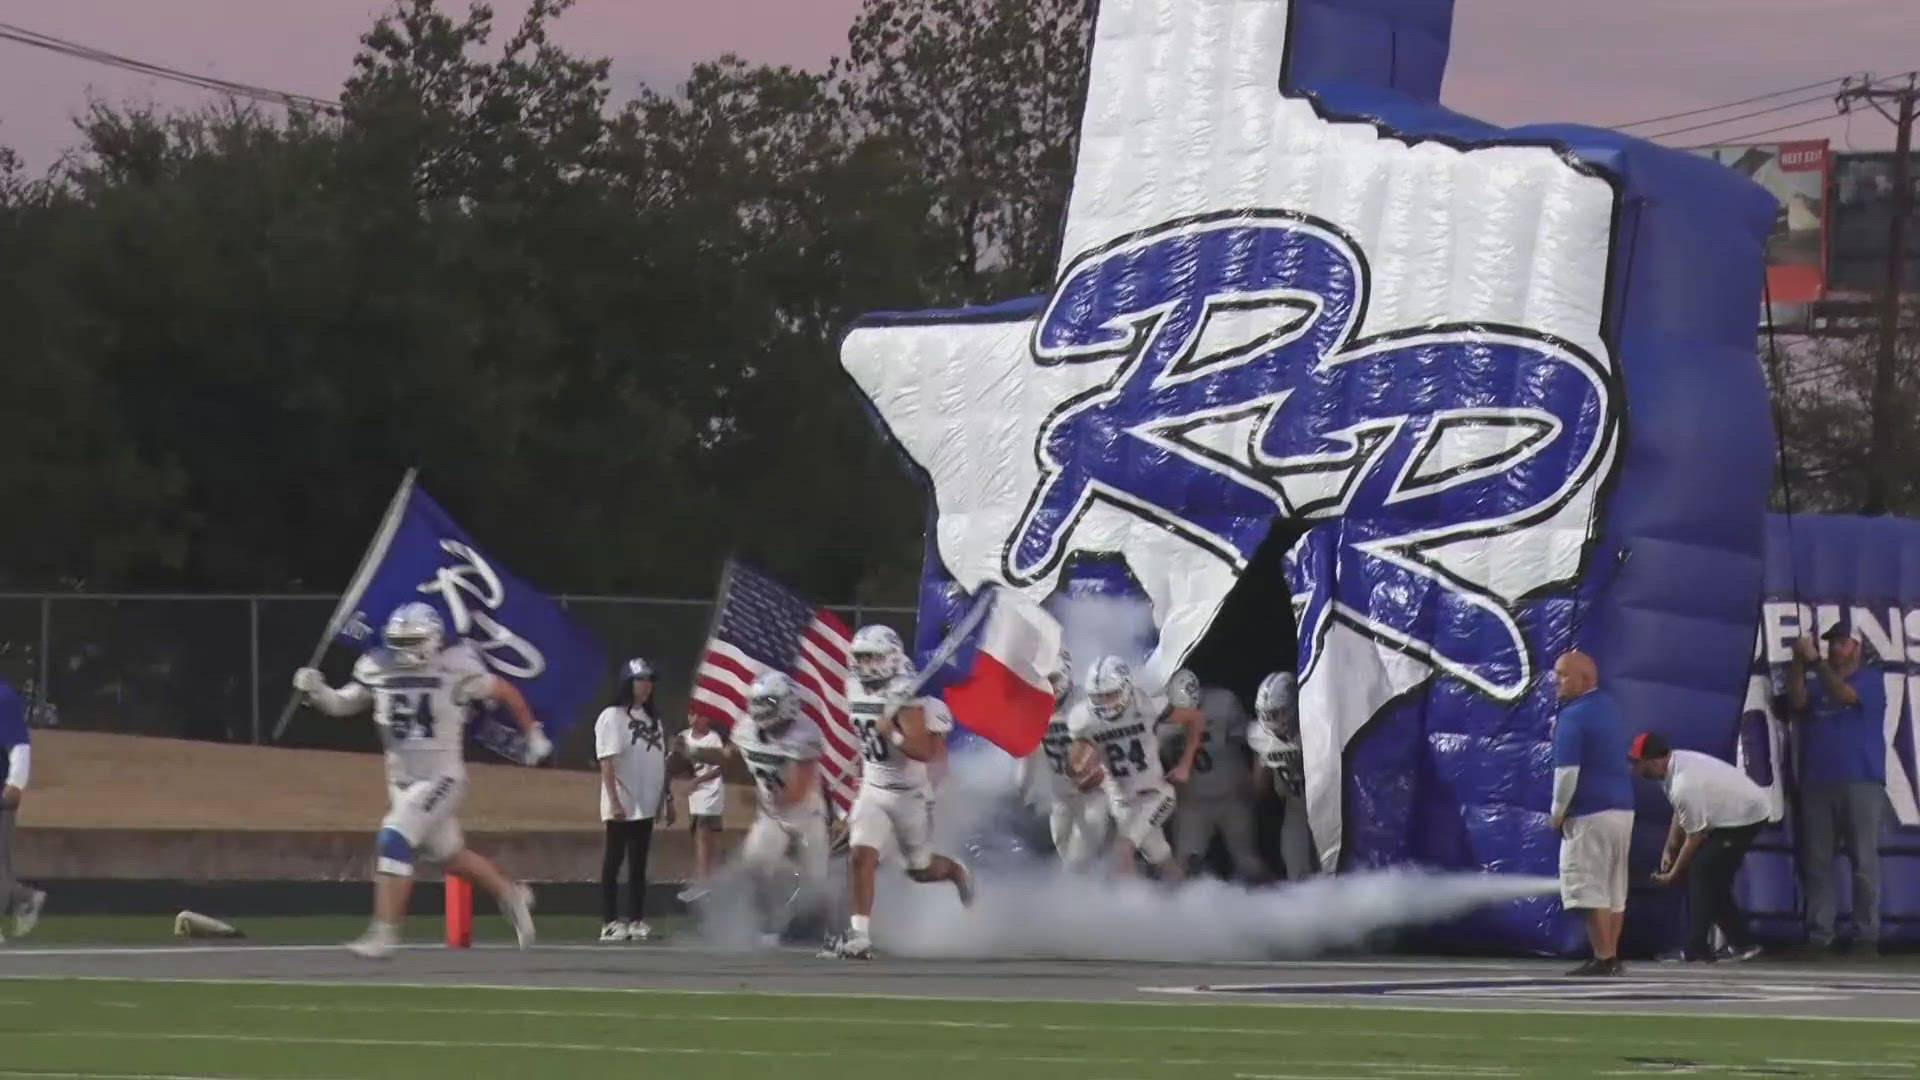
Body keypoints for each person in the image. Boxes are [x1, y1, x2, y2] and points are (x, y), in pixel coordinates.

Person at [293, 602, 549, 959]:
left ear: (432, 638)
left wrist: (532, 733)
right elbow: (344, 703)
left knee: (393, 837)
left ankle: (384, 934)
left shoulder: (456, 666)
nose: (404, 648)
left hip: (442, 777)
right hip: (401, 783)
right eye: (399, 640)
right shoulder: (377, 665)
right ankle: (511, 894)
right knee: (450, 856)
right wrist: (318, 691)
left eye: (412, 639)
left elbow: (506, 692)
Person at [831, 624, 973, 960]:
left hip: (909, 792)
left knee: (920, 869)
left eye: (872, 657)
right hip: (873, 787)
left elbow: (923, 752)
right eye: (860, 657)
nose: (864, 664)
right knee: (860, 857)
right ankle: (860, 936)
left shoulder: (908, 692)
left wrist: (890, 733)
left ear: (891, 657)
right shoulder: (853, 685)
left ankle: (956, 871)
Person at [694, 672, 832, 944]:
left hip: (807, 814)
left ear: (787, 702)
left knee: (815, 879)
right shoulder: (745, 729)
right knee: (755, 867)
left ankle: (820, 928)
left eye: (768, 701)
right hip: (771, 814)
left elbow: (796, 793)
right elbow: (730, 756)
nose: (761, 708)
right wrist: (695, 754)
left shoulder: (805, 734)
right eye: (757, 701)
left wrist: (753, 799)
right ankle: (766, 924)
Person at [1783, 617, 1889, 957]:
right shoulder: (1815, 682)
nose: (1833, 647)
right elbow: (1797, 703)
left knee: (1863, 862)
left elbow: (1843, 695)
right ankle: (1820, 935)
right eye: (1830, 642)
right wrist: (1800, 663)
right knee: (1817, 862)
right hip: (1817, 782)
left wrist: (1813, 662)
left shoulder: (1871, 680)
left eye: (1841, 641)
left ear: (1857, 647)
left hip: (1862, 781)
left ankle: (1866, 936)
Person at [1630, 731, 1772, 963]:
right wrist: (1669, 847)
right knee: (1713, 881)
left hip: (1746, 816)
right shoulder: (1672, 769)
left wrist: (1674, 873)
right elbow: (1681, 810)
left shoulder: (1683, 782)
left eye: (1638, 763)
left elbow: (1695, 836)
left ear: (1655, 761)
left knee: (1701, 871)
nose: (1635, 770)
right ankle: (1743, 944)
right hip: (1730, 813)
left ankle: (1695, 947)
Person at [1068, 656, 1205, 881]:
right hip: (1120, 802)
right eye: (1097, 697)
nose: (1104, 702)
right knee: (1159, 856)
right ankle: (1186, 896)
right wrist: (1082, 772)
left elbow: (1195, 718)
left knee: (1124, 849)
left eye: (1110, 694)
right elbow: (1077, 763)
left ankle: (1131, 910)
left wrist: (1185, 765)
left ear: (1126, 687)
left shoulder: (1148, 704)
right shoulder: (1083, 719)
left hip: (1155, 794)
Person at [1548, 650, 1636, 977]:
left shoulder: (1574, 716)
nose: (1556, 681)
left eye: (1563, 675)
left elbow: (1567, 771)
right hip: (1623, 811)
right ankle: (1611, 956)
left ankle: (1604, 958)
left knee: (1589, 888)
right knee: (1615, 891)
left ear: (1585, 679)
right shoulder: (1610, 709)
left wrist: (1557, 811)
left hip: (1590, 813)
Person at [1163, 670, 1270, 883]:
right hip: (1192, 804)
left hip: (1232, 798)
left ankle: (1281, 908)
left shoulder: (1224, 703)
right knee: (1182, 867)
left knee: (1248, 862)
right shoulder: (1159, 715)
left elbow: (1258, 742)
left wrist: (1256, 779)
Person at [594, 658, 672, 942]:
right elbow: (607, 762)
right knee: (614, 861)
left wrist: (666, 798)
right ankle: (610, 922)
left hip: (647, 801)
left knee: (639, 864)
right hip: (623, 800)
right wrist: (613, 800)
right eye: (641, 679)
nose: (647, 685)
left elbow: (660, 760)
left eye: (650, 680)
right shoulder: (612, 716)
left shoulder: (654, 719)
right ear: (628, 682)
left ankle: (637, 920)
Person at [1017, 651, 1112, 870]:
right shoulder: (1035, 709)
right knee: (1064, 849)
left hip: (1092, 795)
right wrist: (1022, 790)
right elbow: (1029, 752)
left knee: (1078, 860)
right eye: (1044, 679)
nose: (1049, 685)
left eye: (1053, 678)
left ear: (1067, 673)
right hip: (1060, 795)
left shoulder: (1087, 704)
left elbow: (1110, 745)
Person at [1247, 671, 1314, 881]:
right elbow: (1259, 786)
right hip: (1296, 808)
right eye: (1266, 714)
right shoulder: (1259, 735)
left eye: (1277, 713)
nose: (1270, 720)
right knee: (1297, 872)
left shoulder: (1317, 725)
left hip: (1329, 805)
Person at [1, 677, 46, 942]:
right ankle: (25, 898)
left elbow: (19, 744)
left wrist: (15, 783)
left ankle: (25, 899)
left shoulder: (3, 698)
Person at [675, 707, 728, 903]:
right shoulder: (683, 737)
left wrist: (695, 782)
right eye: (690, 713)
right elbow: (675, 762)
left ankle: (703, 884)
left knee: (703, 837)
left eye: (698, 714)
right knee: (705, 838)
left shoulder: (713, 739)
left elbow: (717, 769)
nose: (693, 717)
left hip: (710, 794)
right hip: (694, 798)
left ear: (708, 719)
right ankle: (712, 881)